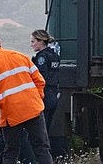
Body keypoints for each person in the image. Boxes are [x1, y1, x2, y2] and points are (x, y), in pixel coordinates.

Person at [0, 30, 53, 164]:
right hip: (33, 108)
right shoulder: (20, 56)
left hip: (10, 113)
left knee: (11, 151)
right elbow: (40, 81)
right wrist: (37, 99)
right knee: (41, 148)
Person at [30, 30, 67, 159]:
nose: (32, 44)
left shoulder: (41, 57)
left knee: (40, 128)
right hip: (54, 93)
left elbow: (40, 78)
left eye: (33, 41)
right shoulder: (54, 55)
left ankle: (41, 156)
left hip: (44, 94)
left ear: (41, 42)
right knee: (47, 125)